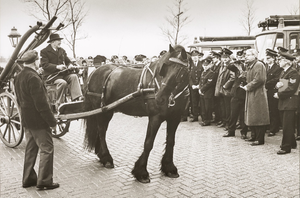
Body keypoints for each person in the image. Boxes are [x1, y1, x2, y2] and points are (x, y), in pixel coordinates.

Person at [14, 50, 59, 190]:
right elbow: (42, 105)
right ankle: (44, 181)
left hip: (27, 120)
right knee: (47, 149)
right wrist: (52, 122)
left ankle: (28, 179)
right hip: (38, 121)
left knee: (31, 149)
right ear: (35, 61)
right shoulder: (33, 77)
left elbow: (19, 100)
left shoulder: (19, 76)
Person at [40, 33, 83, 109]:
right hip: (51, 77)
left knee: (74, 76)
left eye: (60, 40)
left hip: (62, 75)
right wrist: (57, 67)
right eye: (58, 40)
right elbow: (44, 65)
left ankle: (77, 98)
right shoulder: (44, 51)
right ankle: (59, 103)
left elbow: (67, 61)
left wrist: (69, 65)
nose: (60, 42)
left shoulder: (62, 50)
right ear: (52, 42)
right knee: (62, 83)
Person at [241, 49, 270, 146]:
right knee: (252, 115)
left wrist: (248, 86)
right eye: (246, 55)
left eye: (248, 55)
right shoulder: (250, 65)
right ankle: (254, 136)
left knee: (258, 115)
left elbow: (259, 79)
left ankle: (259, 139)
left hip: (258, 94)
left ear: (254, 56)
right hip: (252, 93)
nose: (246, 56)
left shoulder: (258, 65)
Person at [274, 51, 299, 154]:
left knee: (287, 125)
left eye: (280, 60)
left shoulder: (293, 72)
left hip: (290, 101)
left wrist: (279, 95)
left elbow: (292, 88)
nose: (279, 61)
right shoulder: (284, 71)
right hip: (284, 101)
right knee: (286, 124)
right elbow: (280, 84)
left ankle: (286, 147)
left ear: (287, 61)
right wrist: (277, 86)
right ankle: (292, 143)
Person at [223, 60, 248, 138]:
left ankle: (243, 132)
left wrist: (242, 70)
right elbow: (229, 66)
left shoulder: (247, 70)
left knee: (243, 116)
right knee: (233, 114)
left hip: (243, 95)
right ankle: (231, 131)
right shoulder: (237, 69)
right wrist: (234, 62)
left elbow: (245, 80)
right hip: (235, 95)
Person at [215, 48, 235, 129]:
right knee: (222, 106)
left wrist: (225, 86)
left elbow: (233, 77)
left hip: (227, 90)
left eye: (226, 57)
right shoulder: (222, 65)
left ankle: (228, 123)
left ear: (229, 57)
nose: (224, 59)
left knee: (228, 108)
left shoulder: (231, 65)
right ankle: (224, 121)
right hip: (221, 90)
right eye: (223, 57)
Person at [265, 49, 282, 137]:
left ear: (274, 58)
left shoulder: (277, 68)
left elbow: (276, 79)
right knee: (268, 109)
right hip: (266, 91)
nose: (267, 60)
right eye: (267, 58)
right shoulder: (265, 67)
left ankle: (274, 128)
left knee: (273, 110)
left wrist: (265, 84)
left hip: (272, 90)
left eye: (269, 58)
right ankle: (268, 126)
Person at [198, 56, 217, 126]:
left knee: (207, 107)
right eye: (204, 65)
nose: (205, 66)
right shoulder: (203, 72)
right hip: (202, 92)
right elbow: (201, 81)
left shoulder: (211, 73)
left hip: (207, 92)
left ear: (209, 65)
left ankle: (207, 120)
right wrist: (200, 88)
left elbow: (209, 84)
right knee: (203, 106)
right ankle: (204, 119)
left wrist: (201, 89)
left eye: (206, 65)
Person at [189, 50, 203, 122]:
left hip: (201, 86)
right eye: (193, 56)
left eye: (196, 56)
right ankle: (195, 116)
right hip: (193, 86)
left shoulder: (202, 64)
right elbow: (189, 77)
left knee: (202, 101)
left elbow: (203, 76)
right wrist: (192, 85)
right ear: (191, 57)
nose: (195, 58)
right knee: (193, 101)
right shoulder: (189, 65)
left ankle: (203, 116)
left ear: (198, 56)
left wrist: (199, 85)